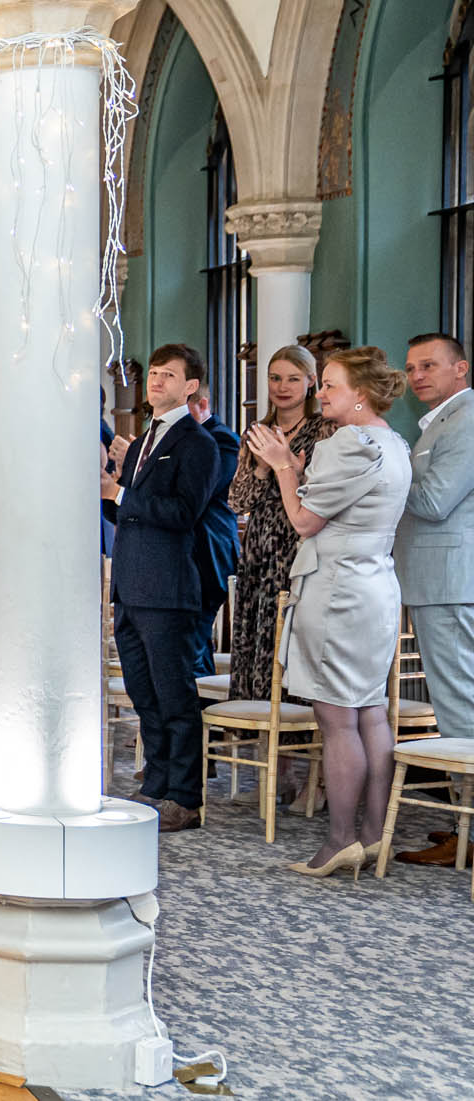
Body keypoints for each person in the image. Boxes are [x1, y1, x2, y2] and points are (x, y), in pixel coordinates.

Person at [244, 347, 410, 878]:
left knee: (337, 719)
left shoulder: (348, 444)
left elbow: (303, 521)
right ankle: (370, 836)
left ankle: (339, 839)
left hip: (338, 590)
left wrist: (281, 465)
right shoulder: (394, 441)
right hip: (375, 586)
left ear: (359, 394)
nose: (322, 394)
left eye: (330, 385)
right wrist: (291, 463)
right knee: (369, 713)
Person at [102, 344, 221, 833]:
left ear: (190, 386)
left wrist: (122, 494)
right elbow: (129, 515)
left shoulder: (197, 443)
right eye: (152, 373)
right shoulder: (146, 438)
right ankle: (156, 783)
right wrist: (111, 495)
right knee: (143, 693)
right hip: (131, 584)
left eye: (167, 375)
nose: (155, 381)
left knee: (174, 696)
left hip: (168, 588)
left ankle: (184, 797)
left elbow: (182, 513)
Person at [392, 333, 474, 866]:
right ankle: (460, 828)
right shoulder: (439, 422)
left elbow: (435, 500)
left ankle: (468, 836)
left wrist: (383, 467)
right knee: (455, 707)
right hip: (435, 579)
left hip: (449, 580)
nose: (417, 375)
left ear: (460, 368)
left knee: (461, 709)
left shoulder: (465, 419)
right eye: (411, 367)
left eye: (429, 365)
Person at [226, 346, 334, 705]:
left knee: (291, 634)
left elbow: (329, 493)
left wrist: (294, 472)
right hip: (260, 544)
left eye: (292, 379)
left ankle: (295, 733)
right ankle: (261, 730)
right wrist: (260, 467)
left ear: (310, 382)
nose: (282, 387)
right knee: (258, 633)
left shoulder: (324, 429)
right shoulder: (255, 432)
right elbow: (238, 502)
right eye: (275, 378)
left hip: (298, 539)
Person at [188, 383, 242, 678]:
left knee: (195, 640)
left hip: (209, 549)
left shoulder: (222, 439)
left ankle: (203, 713)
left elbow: (203, 491)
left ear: (202, 404)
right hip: (187, 553)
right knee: (189, 641)